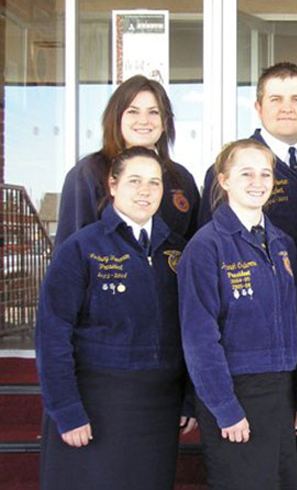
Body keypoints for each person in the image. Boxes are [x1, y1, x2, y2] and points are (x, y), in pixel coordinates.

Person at [36, 147, 195, 490]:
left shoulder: (178, 252)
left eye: (154, 183)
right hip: (97, 401)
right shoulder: (81, 248)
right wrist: (66, 409)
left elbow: (191, 332)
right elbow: (52, 334)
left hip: (159, 407)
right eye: (134, 180)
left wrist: (187, 399)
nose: (145, 191)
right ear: (112, 184)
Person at [178, 139, 297, 490]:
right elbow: (199, 339)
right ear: (223, 180)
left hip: (280, 395)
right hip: (235, 393)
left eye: (265, 173)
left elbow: (296, 322)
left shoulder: (282, 244)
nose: (258, 181)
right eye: (246, 173)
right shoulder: (206, 247)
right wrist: (225, 407)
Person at [198, 62, 297, 262]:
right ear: (258, 108)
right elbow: (209, 249)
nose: (286, 108)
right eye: (275, 99)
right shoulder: (230, 168)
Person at [55, 75, 200, 246]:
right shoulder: (88, 173)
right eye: (133, 111)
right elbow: (70, 248)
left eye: (153, 112)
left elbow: (195, 247)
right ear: (116, 118)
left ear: (165, 123)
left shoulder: (182, 178)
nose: (143, 120)